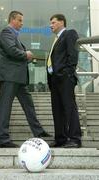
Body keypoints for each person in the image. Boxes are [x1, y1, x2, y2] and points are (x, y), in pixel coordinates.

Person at [0, 10, 51, 148]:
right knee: (5, 107)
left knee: (29, 104)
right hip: (9, 77)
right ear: (12, 19)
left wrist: (27, 58)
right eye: (19, 20)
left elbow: (14, 53)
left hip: (19, 78)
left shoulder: (14, 35)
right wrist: (26, 54)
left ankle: (38, 131)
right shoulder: (6, 32)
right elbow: (11, 51)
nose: (21, 23)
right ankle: (3, 139)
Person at [47, 14, 81, 148]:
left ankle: (75, 139)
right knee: (57, 110)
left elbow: (73, 55)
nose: (51, 25)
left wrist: (67, 72)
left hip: (65, 78)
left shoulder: (69, 34)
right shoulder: (56, 39)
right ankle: (60, 138)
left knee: (69, 108)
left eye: (53, 22)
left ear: (62, 22)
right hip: (54, 80)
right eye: (51, 23)